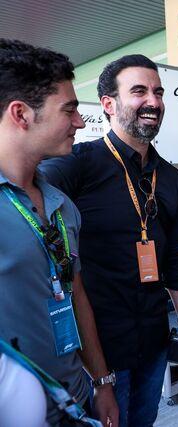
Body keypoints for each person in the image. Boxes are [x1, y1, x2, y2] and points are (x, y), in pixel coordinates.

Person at [41, 54, 178, 427]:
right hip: (99, 352)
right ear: (108, 104)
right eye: (139, 91)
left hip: (154, 338)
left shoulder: (169, 177)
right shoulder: (76, 164)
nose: (153, 102)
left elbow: (176, 256)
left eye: (158, 92)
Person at [0, 38, 118, 426]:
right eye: (69, 109)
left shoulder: (62, 205)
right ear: (21, 114)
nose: (80, 122)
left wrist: (102, 382)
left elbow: (74, 292)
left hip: (76, 402)